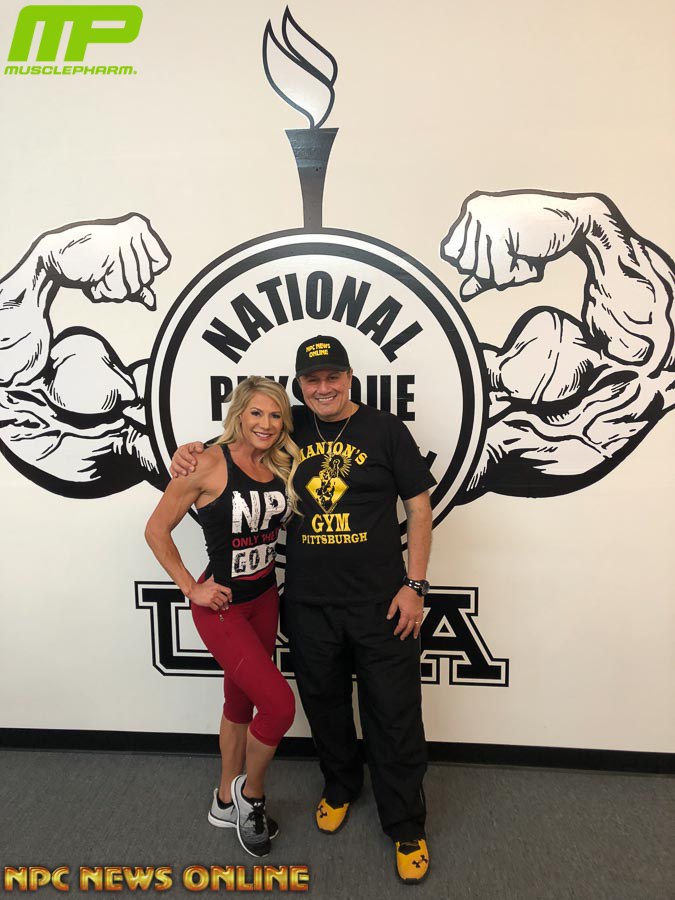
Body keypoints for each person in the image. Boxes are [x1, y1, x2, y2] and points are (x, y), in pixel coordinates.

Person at [171, 336, 435, 884]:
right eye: (312, 380)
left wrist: (415, 584)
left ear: (350, 378)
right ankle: (340, 788)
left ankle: (406, 825)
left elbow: (418, 508)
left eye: (333, 377)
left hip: (383, 602)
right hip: (309, 603)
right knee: (325, 707)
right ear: (300, 385)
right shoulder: (287, 427)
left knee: (394, 715)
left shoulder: (385, 430)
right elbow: (237, 442)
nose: (323, 388)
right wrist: (189, 449)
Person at [145, 376, 298, 858]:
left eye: (276, 415)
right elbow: (156, 529)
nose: (266, 423)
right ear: (238, 415)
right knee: (280, 707)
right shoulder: (207, 462)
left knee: (240, 700)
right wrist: (191, 587)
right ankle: (251, 797)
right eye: (256, 413)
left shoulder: (280, 462)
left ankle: (224, 799)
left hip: (265, 599)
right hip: (223, 606)